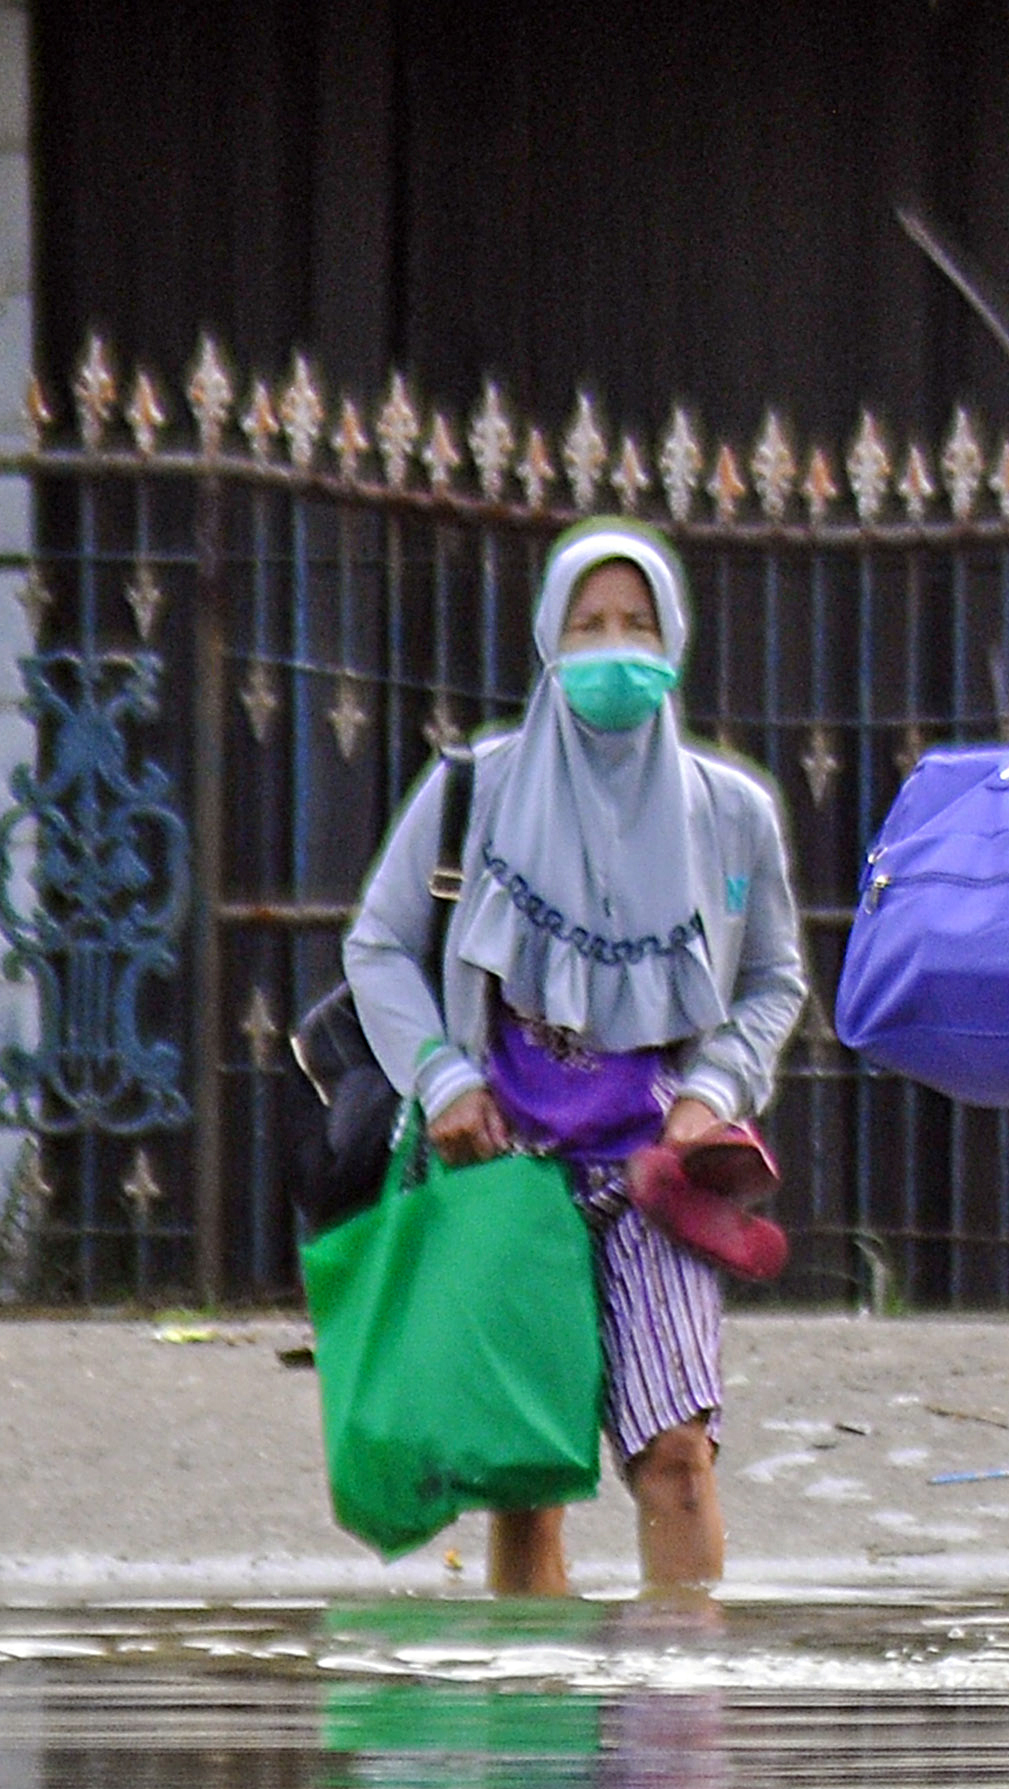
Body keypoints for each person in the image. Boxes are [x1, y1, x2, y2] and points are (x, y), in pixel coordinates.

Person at [344, 522, 805, 1597]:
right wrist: (445, 1080)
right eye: (587, 626)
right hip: (507, 1174)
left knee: (678, 1461)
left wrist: (713, 1092)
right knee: (528, 1486)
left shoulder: (730, 813)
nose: (613, 650)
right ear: (549, 640)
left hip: (658, 1181)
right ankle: (536, 1738)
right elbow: (377, 942)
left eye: (636, 626)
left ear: (674, 640)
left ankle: (677, 1733)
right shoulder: (477, 790)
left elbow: (773, 977)